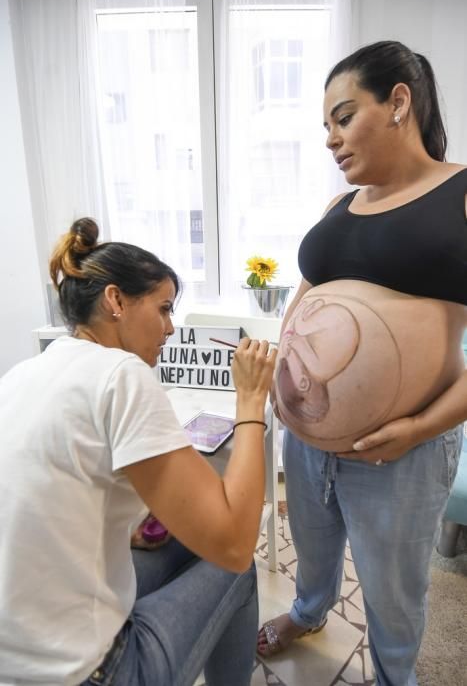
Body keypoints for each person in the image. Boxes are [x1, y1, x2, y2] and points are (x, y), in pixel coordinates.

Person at [257, 40, 467, 686]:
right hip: (307, 437)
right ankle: (309, 610)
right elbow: (307, 297)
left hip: (400, 448)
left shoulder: (459, 194)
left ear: (398, 101)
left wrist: (418, 427)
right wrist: (278, 369)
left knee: (390, 588)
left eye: (342, 117)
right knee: (314, 552)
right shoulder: (337, 207)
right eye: (324, 125)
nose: (329, 139)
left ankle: (393, 675)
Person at [0, 217, 277, 685]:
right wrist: (250, 401)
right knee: (238, 568)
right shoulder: (122, 375)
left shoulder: (21, 375)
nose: (170, 328)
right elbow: (233, 542)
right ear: (115, 300)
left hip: (15, 659)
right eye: (164, 309)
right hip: (91, 674)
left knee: (182, 540)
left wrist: (126, 528)